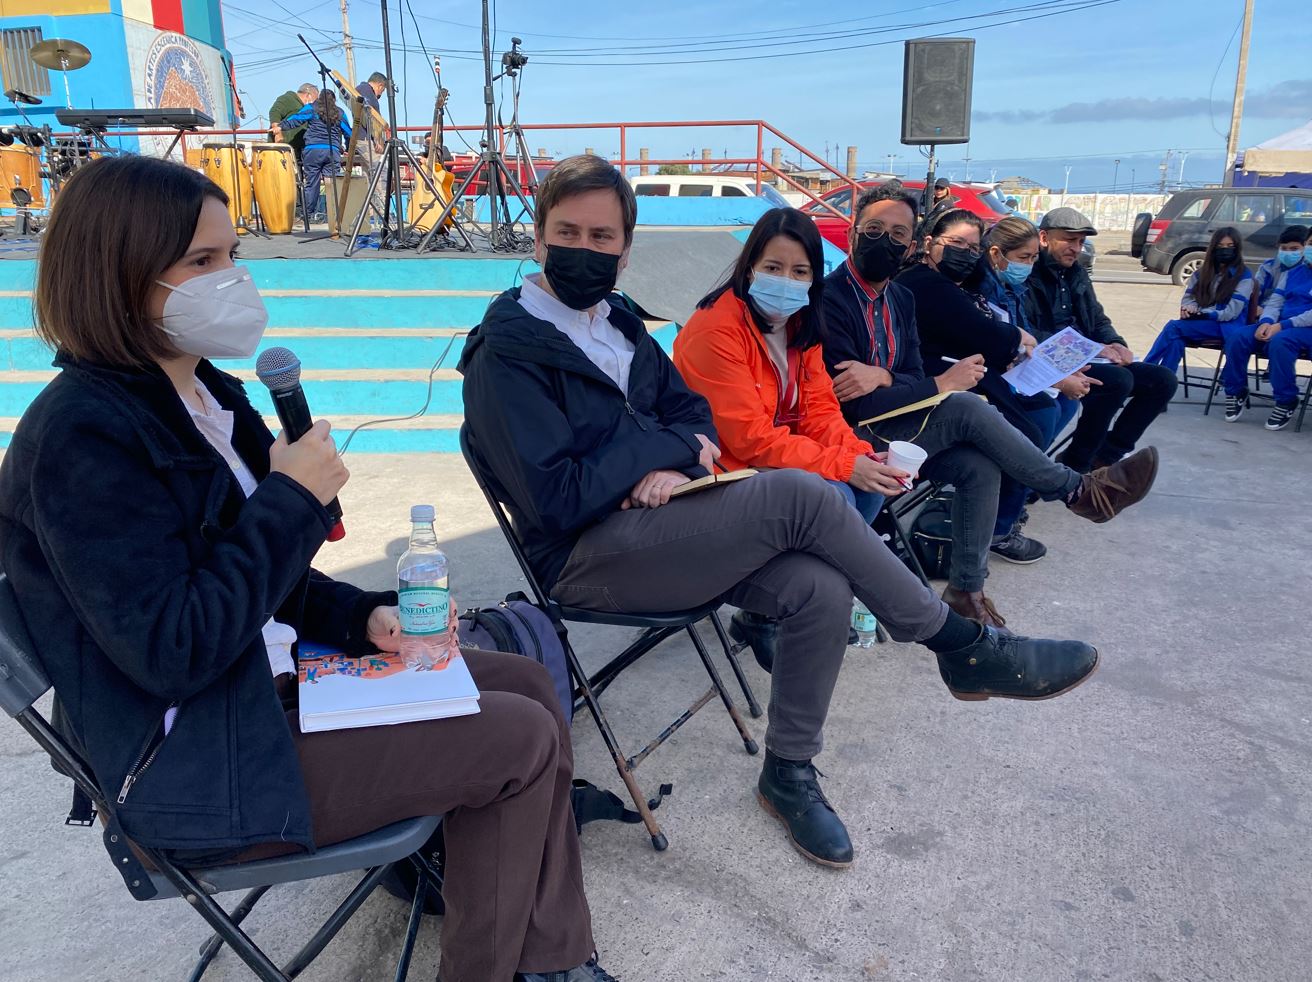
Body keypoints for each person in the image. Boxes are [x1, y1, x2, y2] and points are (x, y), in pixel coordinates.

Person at [0, 156, 609, 982]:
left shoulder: (206, 395)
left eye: (233, 253)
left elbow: (264, 578)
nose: (235, 279)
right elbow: (175, 647)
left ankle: (547, 958)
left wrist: (360, 618)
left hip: (272, 688)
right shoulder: (81, 438)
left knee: (531, 685)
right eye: (203, 261)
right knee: (519, 738)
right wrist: (289, 497)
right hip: (200, 757)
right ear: (120, 273)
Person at [459, 155, 1134, 870]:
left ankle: (788, 771)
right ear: (538, 238)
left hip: (665, 524)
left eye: (602, 237)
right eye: (568, 233)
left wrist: (670, 459)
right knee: (801, 492)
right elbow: (558, 496)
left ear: (627, 251)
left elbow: (693, 420)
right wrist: (659, 451)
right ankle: (961, 645)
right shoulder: (507, 353)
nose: (585, 249)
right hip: (585, 556)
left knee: (820, 586)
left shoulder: (619, 324)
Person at [820, 184, 1155, 627]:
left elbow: (910, 371)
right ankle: (1076, 490)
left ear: (912, 243)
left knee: (979, 465)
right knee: (963, 406)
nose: (886, 241)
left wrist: (885, 375)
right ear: (852, 234)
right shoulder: (829, 299)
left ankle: (967, 590)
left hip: (899, 426)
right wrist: (936, 384)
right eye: (874, 229)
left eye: (898, 233)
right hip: (849, 437)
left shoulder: (900, 298)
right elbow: (855, 404)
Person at [672, 207, 893, 528]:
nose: (786, 281)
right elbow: (750, 439)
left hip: (773, 460)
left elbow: (819, 411)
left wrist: (860, 455)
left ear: (814, 278)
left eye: (800, 272)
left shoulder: (800, 323)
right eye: (773, 268)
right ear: (750, 269)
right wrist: (844, 465)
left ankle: (834, 558)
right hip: (725, 469)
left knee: (869, 490)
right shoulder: (715, 331)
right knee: (833, 497)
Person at [1027, 207, 1179, 473]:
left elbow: (1097, 318)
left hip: (1088, 355)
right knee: (1117, 381)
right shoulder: (1029, 272)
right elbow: (1027, 331)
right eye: (1069, 240)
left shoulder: (1077, 273)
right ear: (1044, 238)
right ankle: (1077, 466)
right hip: (1050, 357)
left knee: (1162, 380)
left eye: (1081, 242)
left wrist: (1116, 343)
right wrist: (1091, 349)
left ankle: (1105, 457)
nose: (1076, 248)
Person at [976, 215, 1084, 560]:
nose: (1029, 265)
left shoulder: (1011, 288)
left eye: (1034, 258)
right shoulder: (982, 288)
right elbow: (999, 347)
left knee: (1068, 403)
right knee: (1042, 416)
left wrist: (1061, 367)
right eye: (1023, 258)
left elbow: (1025, 340)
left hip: (1014, 369)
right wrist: (1057, 377)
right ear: (996, 254)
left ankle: (1020, 486)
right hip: (989, 375)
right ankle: (1001, 526)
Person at [1222, 239, 1312, 430]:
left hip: (1304, 328)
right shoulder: (1292, 273)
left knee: (1280, 342)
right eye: (1311, 242)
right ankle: (1236, 390)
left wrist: (1282, 325)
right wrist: (1266, 322)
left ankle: (1286, 400)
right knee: (1238, 337)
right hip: (1280, 324)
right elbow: (1275, 302)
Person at [1142, 227, 1253, 373]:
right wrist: (1190, 308)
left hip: (1227, 326)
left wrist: (1205, 313)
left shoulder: (1244, 275)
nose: (1225, 250)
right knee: (1176, 341)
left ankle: (1145, 369)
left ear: (1237, 249)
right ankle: (1164, 380)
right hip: (1201, 321)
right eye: (1220, 246)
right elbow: (1189, 298)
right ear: (1213, 248)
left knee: (1173, 327)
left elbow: (1231, 313)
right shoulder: (1201, 273)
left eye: (1230, 246)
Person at [275, 89, 351, 222]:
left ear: (319, 98)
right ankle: (333, 216)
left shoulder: (311, 108)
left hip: (312, 151)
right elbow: (349, 133)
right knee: (332, 184)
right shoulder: (340, 113)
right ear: (334, 100)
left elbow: (296, 119)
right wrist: (349, 148)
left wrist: (280, 126)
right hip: (332, 151)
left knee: (312, 183)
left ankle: (308, 215)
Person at [1249, 225, 1308, 323]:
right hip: (1262, 316)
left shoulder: (1307, 271)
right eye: (1283, 248)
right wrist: (1254, 307)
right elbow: (1253, 293)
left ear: (1306, 248)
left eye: (1294, 249)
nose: (1288, 253)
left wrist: (1266, 310)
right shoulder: (1268, 267)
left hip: (1292, 318)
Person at [267, 82, 317, 160]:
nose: (315, 103)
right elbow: (274, 112)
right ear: (308, 95)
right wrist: (278, 133)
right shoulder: (288, 99)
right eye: (315, 99)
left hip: (298, 151)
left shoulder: (307, 110)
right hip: (283, 150)